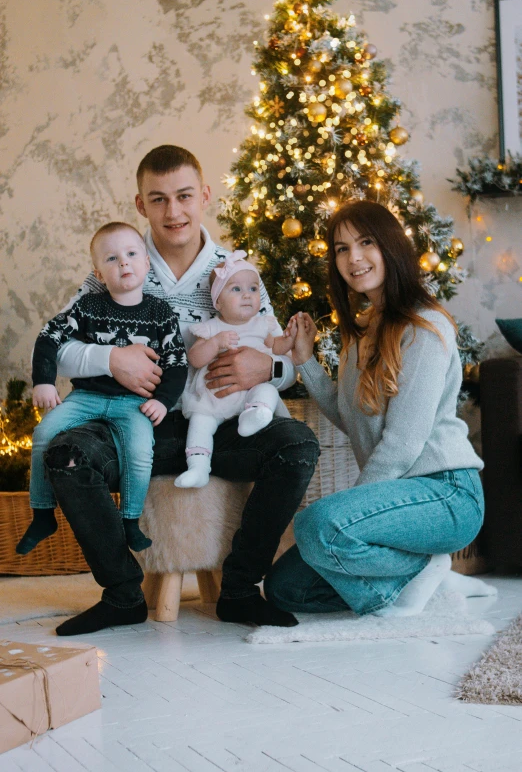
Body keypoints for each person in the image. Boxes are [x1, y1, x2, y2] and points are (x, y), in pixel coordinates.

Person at [43, 145, 319, 636]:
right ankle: (123, 594)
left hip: (219, 425)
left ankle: (238, 591)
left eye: (185, 196)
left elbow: (285, 362)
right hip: (135, 422)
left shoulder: (235, 270)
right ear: (140, 204)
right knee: (67, 454)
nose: (174, 212)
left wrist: (269, 366)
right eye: (159, 199)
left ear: (205, 196)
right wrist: (111, 358)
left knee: (297, 444)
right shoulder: (118, 259)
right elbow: (59, 346)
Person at [264, 200, 490, 618]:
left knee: (317, 525)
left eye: (365, 242)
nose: (353, 257)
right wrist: (305, 361)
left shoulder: (425, 327)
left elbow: (403, 443)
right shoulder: (363, 330)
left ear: (390, 246)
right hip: (396, 495)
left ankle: (420, 573)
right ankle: (424, 579)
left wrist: (348, 512)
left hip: (445, 493)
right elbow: (349, 416)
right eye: (341, 248)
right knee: (284, 590)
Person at [18, 222, 187, 556]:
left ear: (146, 262)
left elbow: (177, 361)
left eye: (131, 254)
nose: (123, 263)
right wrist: (43, 381)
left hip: (133, 403)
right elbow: (49, 337)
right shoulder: (88, 307)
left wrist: (164, 401)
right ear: (98, 271)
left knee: (140, 452)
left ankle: (130, 521)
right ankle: (41, 513)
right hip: (86, 397)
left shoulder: (160, 313)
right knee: (44, 432)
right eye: (111, 258)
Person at [175, 250, 296, 489]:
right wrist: (216, 343)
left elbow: (278, 350)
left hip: (250, 394)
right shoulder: (211, 328)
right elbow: (195, 358)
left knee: (267, 389)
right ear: (217, 301)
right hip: (214, 397)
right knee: (200, 423)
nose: (247, 296)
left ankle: (257, 415)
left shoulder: (263, 325)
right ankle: (198, 466)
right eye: (236, 289)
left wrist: (289, 339)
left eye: (253, 289)